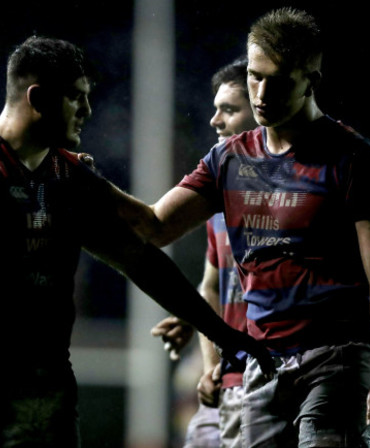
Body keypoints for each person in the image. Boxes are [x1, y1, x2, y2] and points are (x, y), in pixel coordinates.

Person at [0, 36, 274, 448]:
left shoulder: (70, 178)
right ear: (38, 98)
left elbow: (141, 259)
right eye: (76, 98)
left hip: (48, 383)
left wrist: (227, 336)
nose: (87, 111)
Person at [118, 8, 370, 448]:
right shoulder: (229, 159)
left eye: (280, 80)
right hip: (263, 363)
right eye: (255, 76)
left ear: (311, 81)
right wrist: (79, 179)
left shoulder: (353, 159)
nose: (262, 92)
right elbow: (155, 226)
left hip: (336, 360)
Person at [150, 57, 258, 448]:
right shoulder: (219, 206)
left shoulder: (298, 196)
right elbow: (211, 287)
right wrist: (208, 356)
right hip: (228, 378)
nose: (214, 120)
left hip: (277, 376)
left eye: (229, 109)